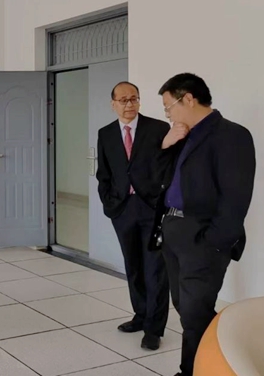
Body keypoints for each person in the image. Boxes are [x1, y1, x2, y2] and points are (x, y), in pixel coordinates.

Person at [154, 73, 256, 376]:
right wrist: (166, 144)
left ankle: (192, 371)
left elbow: (236, 197)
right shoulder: (182, 135)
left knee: (194, 313)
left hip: (202, 236)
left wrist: (213, 243)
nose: (168, 114)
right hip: (173, 229)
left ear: (188, 98)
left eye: (168, 107)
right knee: (184, 306)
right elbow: (158, 179)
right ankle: (225, 354)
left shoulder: (231, 135)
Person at [96, 81, 171, 351]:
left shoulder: (158, 129)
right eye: (124, 100)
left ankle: (154, 328)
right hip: (122, 209)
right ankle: (140, 315)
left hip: (151, 208)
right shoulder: (105, 133)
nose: (130, 104)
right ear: (113, 104)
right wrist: (109, 203)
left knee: (155, 270)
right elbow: (104, 173)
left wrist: (162, 200)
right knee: (134, 266)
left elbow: (168, 167)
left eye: (134, 99)